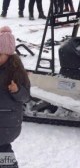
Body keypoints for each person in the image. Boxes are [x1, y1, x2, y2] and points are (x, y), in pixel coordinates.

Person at [0, 26, 30, 166]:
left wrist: (17, 90)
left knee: (3, 151)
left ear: (8, 54)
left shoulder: (16, 72)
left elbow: (26, 97)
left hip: (6, 123)